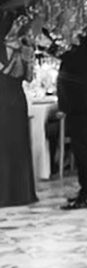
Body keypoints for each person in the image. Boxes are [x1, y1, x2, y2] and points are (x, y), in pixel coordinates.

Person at [56, 31, 87, 210]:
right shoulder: (85, 45)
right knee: (82, 147)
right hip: (79, 100)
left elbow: (72, 60)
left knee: (83, 147)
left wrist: (51, 47)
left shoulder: (85, 46)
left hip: (80, 101)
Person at [0, 32, 37, 207]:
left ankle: (8, 193)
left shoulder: (21, 47)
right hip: (16, 99)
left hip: (7, 99)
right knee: (14, 145)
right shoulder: (24, 47)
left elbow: (25, 76)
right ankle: (21, 192)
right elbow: (29, 77)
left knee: (9, 145)